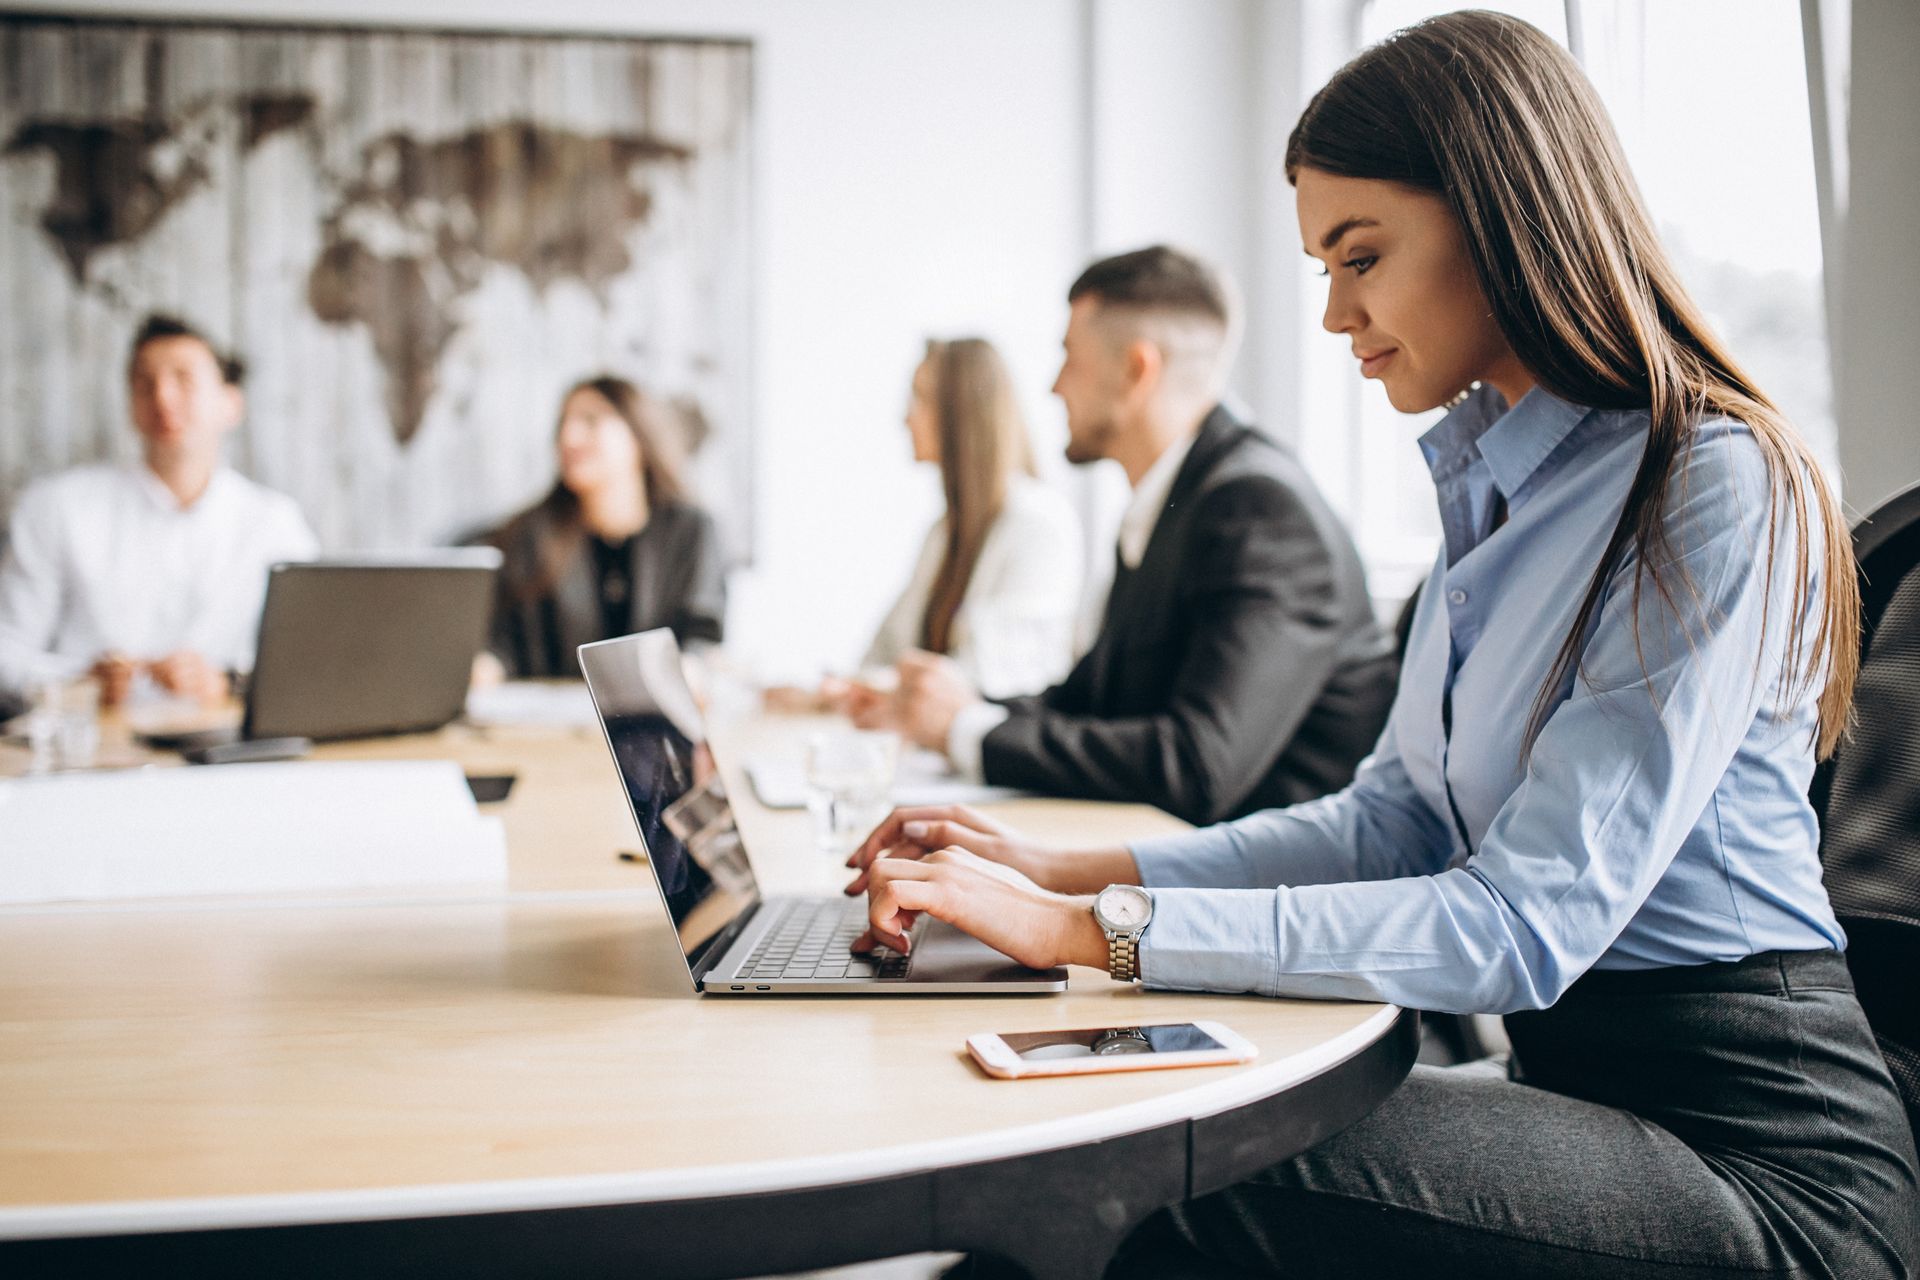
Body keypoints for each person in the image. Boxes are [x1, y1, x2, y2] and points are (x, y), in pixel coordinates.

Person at [846, 14, 1920, 1278]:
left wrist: (1091, 928)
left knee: (1140, 1167)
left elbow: (1519, 924)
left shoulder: (1707, 483)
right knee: (1114, 1126)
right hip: (1582, 1088)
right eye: (1322, 266)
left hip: (1762, 1158)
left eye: (1362, 256)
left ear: (1506, 218)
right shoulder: (1496, 492)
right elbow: (1390, 822)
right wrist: (1055, 867)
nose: (1335, 313)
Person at [865, 246, 1395, 826]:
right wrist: (957, 709)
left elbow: (1198, 766)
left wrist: (967, 730)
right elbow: (1091, 701)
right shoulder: (1173, 501)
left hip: (1277, 889)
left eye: (1070, 358)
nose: (1053, 387)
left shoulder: (1262, 512)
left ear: (1136, 371)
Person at [0, 313, 318, 710]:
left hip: (229, 755)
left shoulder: (276, 525)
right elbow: (6, 651)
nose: (163, 398)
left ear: (230, 404)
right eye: (144, 383)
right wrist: (78, 682)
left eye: (183, 379)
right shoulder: (55, 508)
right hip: (89, 754)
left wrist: (227, 682)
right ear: (132, 405)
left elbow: (311, 661)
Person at [782, 337, 1082, 707]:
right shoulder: (942, 533)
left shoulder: (1038, 524)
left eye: (920, 398)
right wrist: (828, 691)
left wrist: (860, 689)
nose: (905, 417)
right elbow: (886, 650)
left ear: (962, 413)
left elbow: (989, 677)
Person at [480, 375, 725, 679]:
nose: (568, 437)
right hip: (546, 720)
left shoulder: (690, 531)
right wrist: (487, 665)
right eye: (563, 425)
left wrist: (692, 668)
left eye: (590, 420)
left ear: (638, 435)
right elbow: (505, 642)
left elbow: (702, 634)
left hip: (651, 716)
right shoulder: (529, 534)